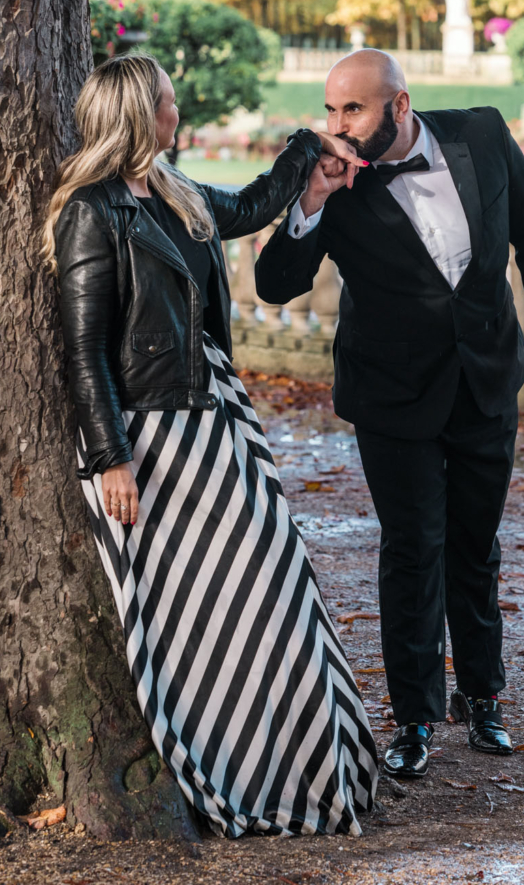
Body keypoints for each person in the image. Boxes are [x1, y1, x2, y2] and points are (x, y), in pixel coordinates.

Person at [42, 54, 378, 837]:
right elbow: (83, 348)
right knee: (194, 618)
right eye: (166, 99)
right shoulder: (91, 211)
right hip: (150, 438)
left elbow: (254, 205)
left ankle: (298, 772)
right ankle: (224, 777)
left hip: (214, 417)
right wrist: (109, 455)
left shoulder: (173, 190)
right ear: (139, 114)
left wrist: (307, 153)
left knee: (270, 590)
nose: (176, 107)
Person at [254, 50, 524, 780]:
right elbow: (274, 284)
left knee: (474, 543)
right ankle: (414, 718)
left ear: (398, 107)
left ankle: (483, 697)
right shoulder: (331, 181)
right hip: (391, 392)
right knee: (411, 548)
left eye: (352, 110)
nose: (336, 125)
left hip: (487, 378)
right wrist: (310, 201)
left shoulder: (482, 135)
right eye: (330, 110)